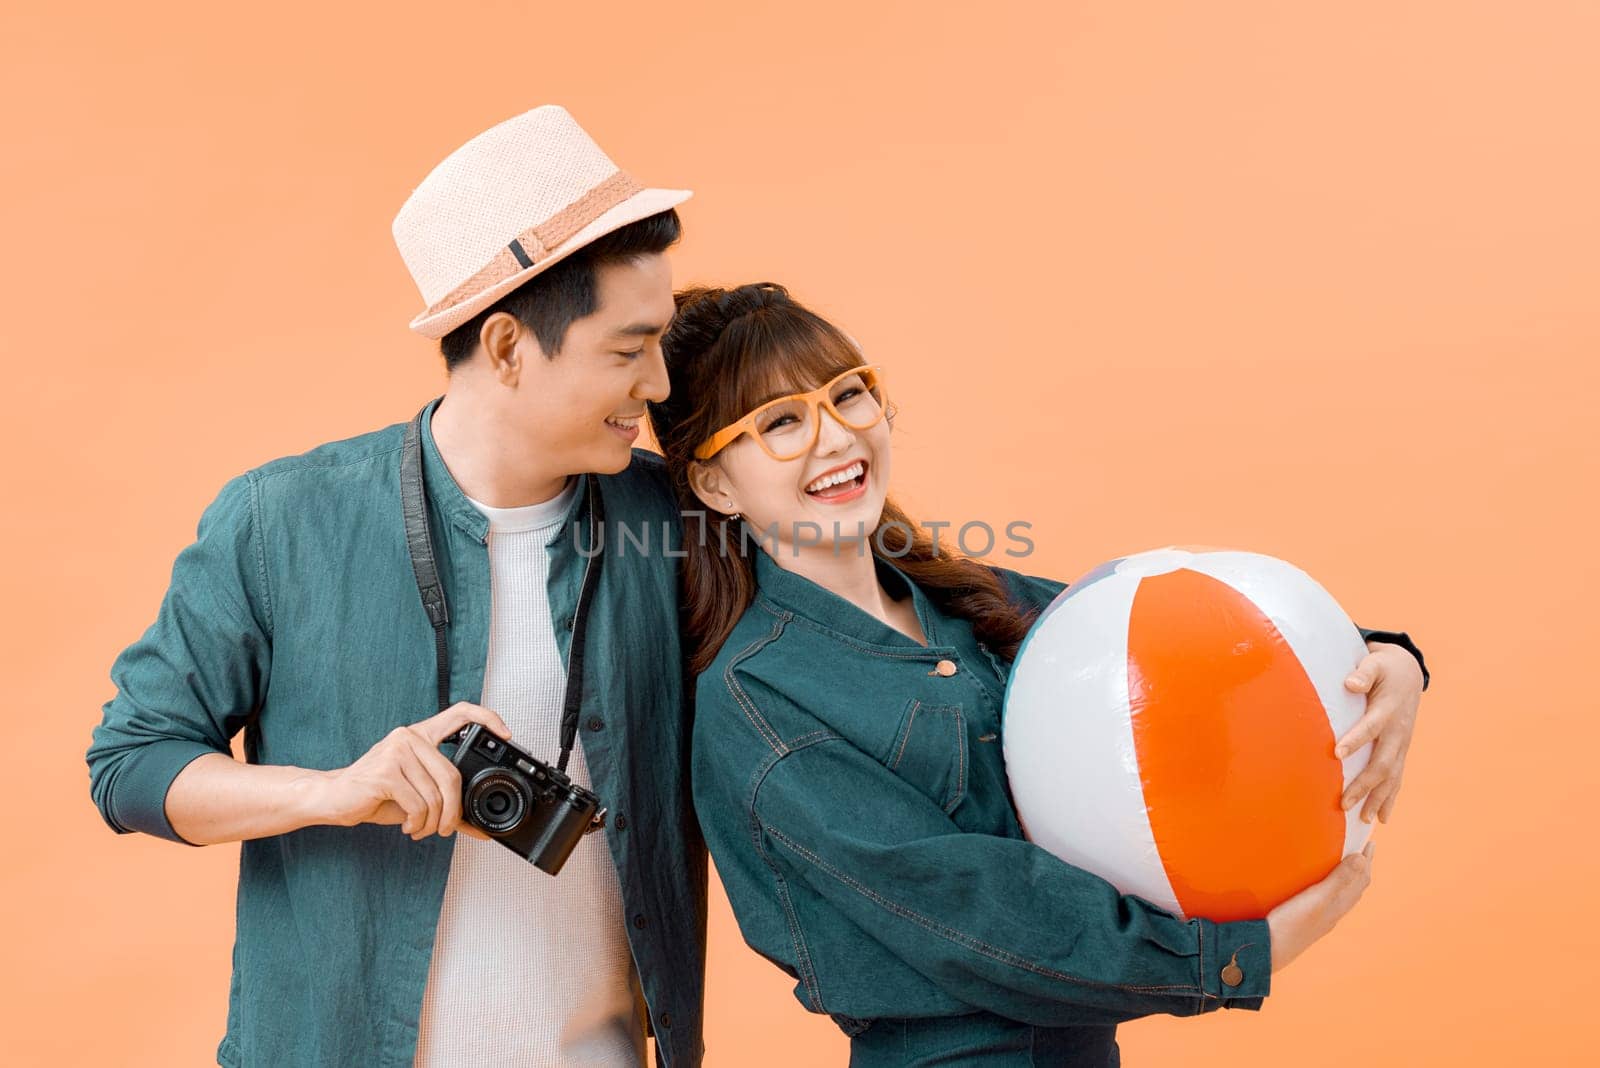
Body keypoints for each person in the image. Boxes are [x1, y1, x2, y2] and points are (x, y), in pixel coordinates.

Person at [647, 282, 1430, 1067]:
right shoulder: (756, 699)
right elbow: (968, 910)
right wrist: (1225, 959)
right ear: (714, 485)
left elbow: (1181, 643)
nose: (835, 437)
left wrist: (1385, 659)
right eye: (780, 422)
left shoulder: (976, 601)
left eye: (849, 394)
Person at [85, 106, 707, 1067]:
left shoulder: (674, 524)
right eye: (626, 350)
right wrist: (331, 792)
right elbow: (131, 766)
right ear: (506, 347)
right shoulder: (278, 519)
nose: (659, 385)